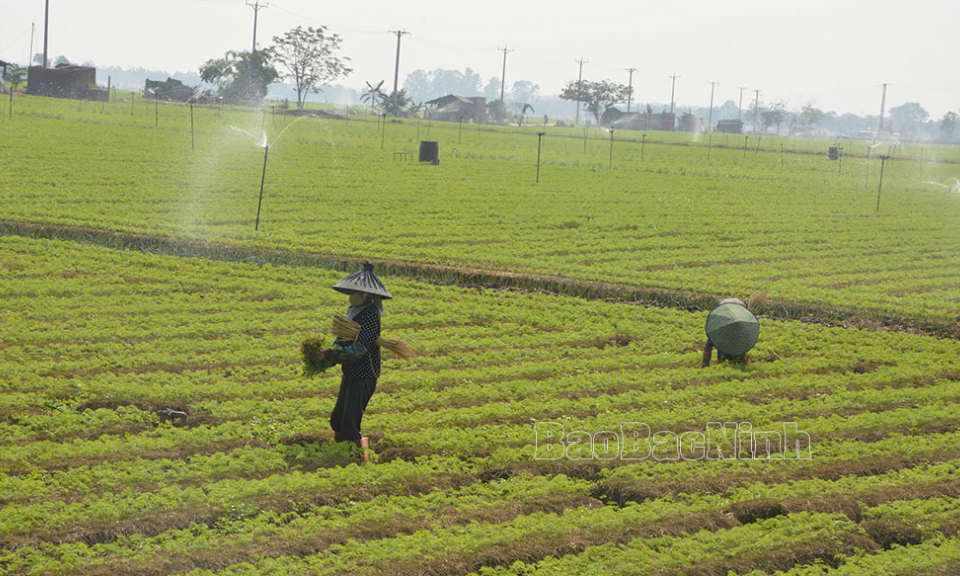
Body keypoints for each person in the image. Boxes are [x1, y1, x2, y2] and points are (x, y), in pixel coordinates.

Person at [323, 263, 391, 451]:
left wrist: (332, 355)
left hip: (364, 374)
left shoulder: (370, 315)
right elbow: (341, 340)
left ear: (366, 295)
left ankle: (358, 459)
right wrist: (326, 355)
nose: (352, 295)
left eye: (356, 292)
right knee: (337, 421)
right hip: (350, 373)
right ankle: (340, 453)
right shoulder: (353, 312)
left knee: (350, 424)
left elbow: (358, 350)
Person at [702, 298, 759, 367]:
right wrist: (705, 364)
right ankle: (723, 360)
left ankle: (737, 360)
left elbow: (744, 344)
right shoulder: (719, 329)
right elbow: (708, 346)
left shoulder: (741, 329)